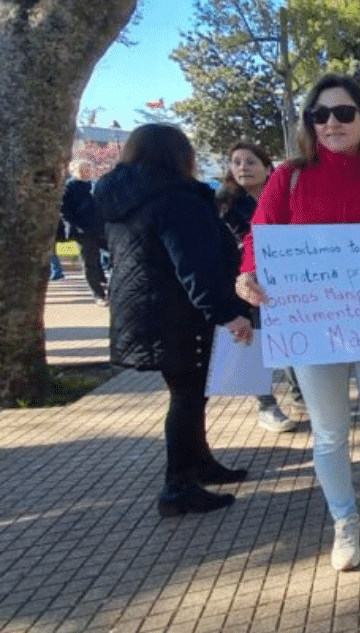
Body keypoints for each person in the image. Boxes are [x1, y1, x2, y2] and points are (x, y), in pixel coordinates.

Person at [235, 74, 360, 571]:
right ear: (308, 123)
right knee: (329, 432)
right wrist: (247, 273)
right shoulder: (288, 177)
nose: (332, 123)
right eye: (320, 115)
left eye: (343, 113)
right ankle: (344, 521)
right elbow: (261, 237)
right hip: (312, 325)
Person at [94, 123, 254, 518]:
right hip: (178, 315)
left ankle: (197, 463)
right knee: (186, 396)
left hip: (144, 312)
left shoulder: (119, 198)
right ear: (180, 156)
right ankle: (178, 485)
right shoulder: (178, 198)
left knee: (187, 392)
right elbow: (193, 265)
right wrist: (227, 314)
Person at [215, 140, 303, 433]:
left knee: (288, 338)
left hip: (284, 283)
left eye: (250, 162)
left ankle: (301, 393)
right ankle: (265, 405)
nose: (243, 168)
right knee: (248, 338)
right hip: (239, 283)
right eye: (236, 162)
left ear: (267, 167)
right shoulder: (223, 204)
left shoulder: (288, 196)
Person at [61, 160, 108, 305]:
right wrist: (76, 225)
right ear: (75, 170)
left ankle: (104, 281)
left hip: (101, 229)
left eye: (88, 168)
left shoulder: (95, 184)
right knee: (90, 262)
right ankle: (98, 294)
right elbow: (65, 211)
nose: (87, 171)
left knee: (112, 256)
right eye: (83, 169)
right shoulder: (70, 187)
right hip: (83, 231)